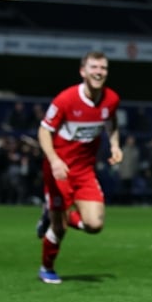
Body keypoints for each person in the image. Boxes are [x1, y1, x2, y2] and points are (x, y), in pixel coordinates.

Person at [35, 51, 122, 284]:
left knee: (95, 225)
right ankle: (46, 268)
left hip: (84, 171)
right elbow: (44, 131)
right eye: (94, 67)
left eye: (103, 68)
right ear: (83, 71)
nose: (99, 72)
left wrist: (115, 145)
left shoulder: (111, 99)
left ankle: (54, 214)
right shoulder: (65, 99)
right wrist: (54, 160)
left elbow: (111, 122)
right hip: (59, 169)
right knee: (59, 228)